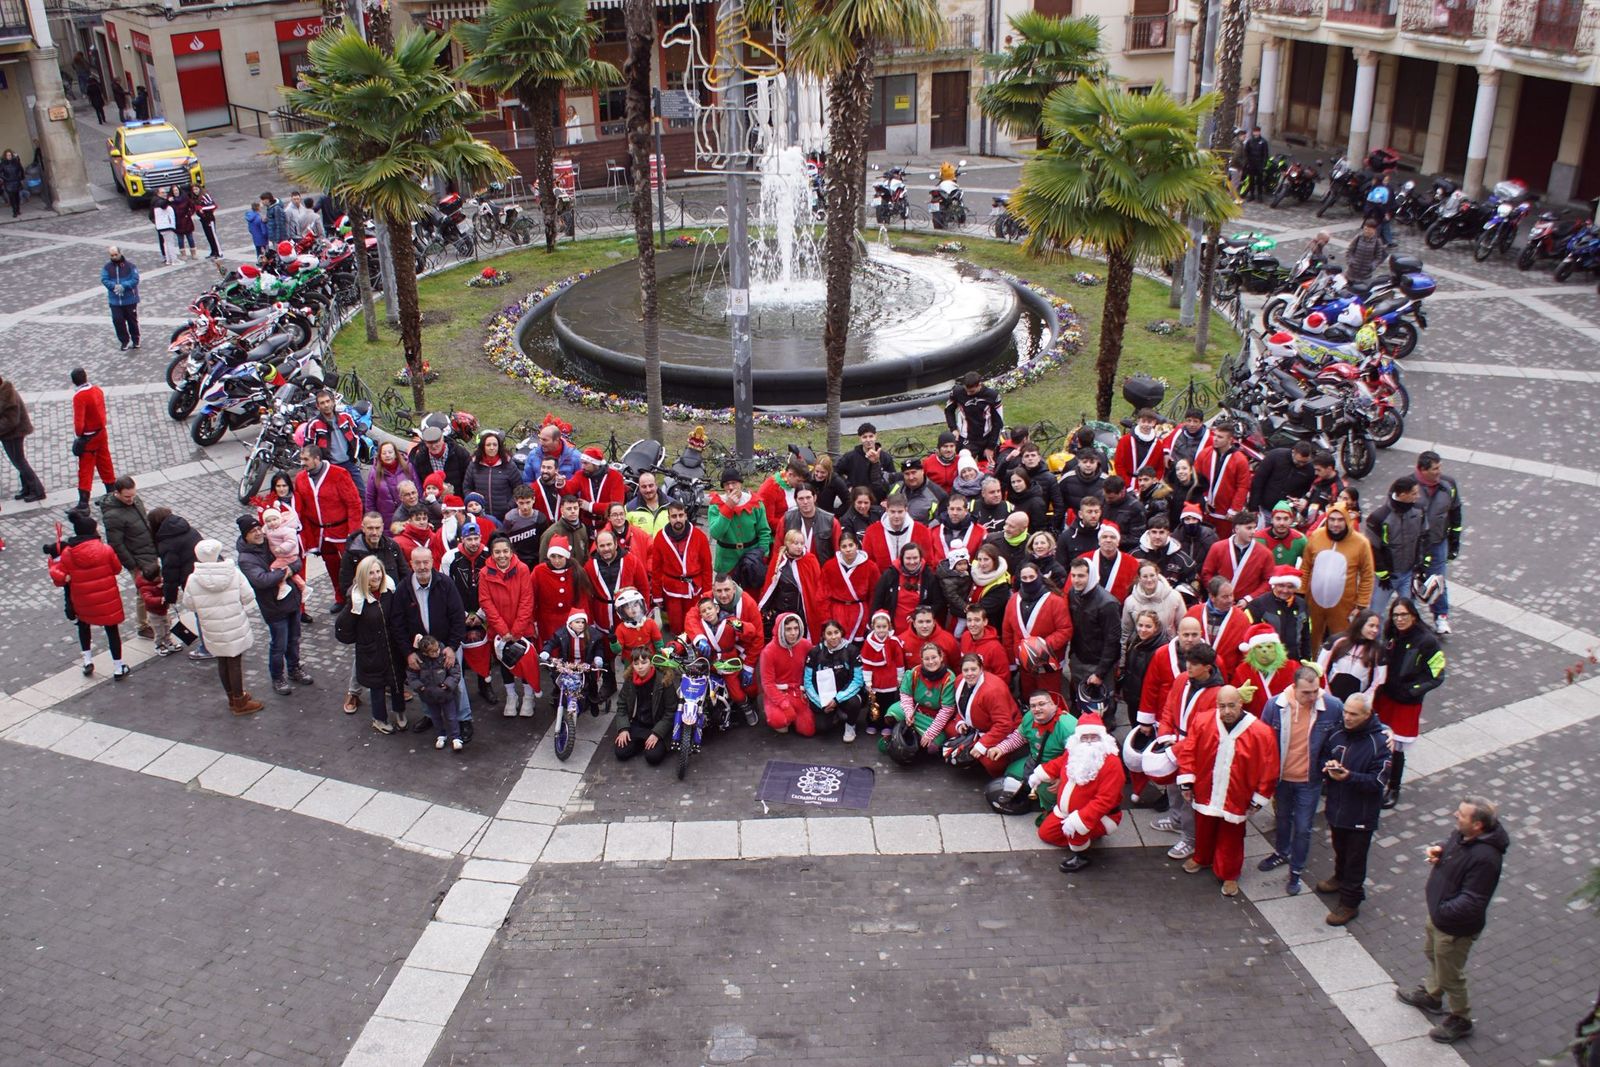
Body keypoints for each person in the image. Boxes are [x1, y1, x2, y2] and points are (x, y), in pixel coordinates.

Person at [1396, 797, 1510, 1044]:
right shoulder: (1464, 836)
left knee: (1451, 974)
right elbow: (1451, 848)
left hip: (1454, 928)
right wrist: (1440, 850)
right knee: (1433, 954)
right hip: (1439, 917)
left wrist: (1443, 911)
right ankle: (1432, 995)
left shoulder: (1486, 858)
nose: (1454, 816)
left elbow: (1473, 901)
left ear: (1478, 824)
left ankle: (1461, 1018)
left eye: (1461, 814)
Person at [1175, 684, 1280, 897]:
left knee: (1232, 837)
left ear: (1241, 703)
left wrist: (1259, 798)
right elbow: (1189, 751)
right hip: (1206, 790)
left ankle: (1229, 873)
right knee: (1203, 827)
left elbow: (1269, 768)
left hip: (1237, 795)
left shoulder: (1261, 732)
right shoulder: (1203, 721)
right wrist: (1187, 781)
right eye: (1222, 706)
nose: (1226, 712)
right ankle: (1202, 858)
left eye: (1231, 706)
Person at [1258, 666, 1344, 895]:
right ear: (1294, 688)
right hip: (1283, 778)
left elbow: (1357, 722)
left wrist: (1384, 731)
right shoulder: (1275, 706)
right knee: (1283, 818)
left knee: (1304, 827)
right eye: (1306, 693)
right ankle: (1281, 852)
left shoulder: (1332, 706)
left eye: (1316, 691)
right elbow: (1262, 740)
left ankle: (1296, 870)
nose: (1313, 697)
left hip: (1310, 780)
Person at [1316, 694, 1391, 926]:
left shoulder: (1379, 743)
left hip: (1361, 814)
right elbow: (1323, 755)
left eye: (1353, 714)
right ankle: (1340, 877)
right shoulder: (1337, 732)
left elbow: (1377, 781)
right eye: (1345, 712)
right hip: (1338, 808)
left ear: (1367, 715)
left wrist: (1349, 777)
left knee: (1356, 859)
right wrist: (1327, 767)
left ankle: (1350, 903)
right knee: (1340, 849)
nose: (1347, 717)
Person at [1028, 712, 1125, 872]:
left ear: (1102, 738)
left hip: (1097, 815)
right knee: (1046, 834)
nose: (1088, 742)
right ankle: (1088, 835)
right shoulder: (1074, 750)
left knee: (1077, 831)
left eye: (1093, 737)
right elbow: (1060, 763)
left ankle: (1082, 855)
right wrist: (1040, 774)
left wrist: (1080, 819)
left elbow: (1105, 800)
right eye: (1084, 737)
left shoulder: (1112, 764)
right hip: (1065, 811)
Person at [1375, 597, 1446, 808]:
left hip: (1406, 702)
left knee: (1397, 747)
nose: (1399, 619)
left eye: (1403, 615)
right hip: (1385, 697)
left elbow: (1437, 675)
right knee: (1380, 740)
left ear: (1413, 615)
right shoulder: (1391, 635)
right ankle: (1378, 776)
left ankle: (1393, 787)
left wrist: (1412, 691)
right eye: (1395, 615)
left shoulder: (1427, 641)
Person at [393, 543, 469, 738]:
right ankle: (430, 716)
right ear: (411, 564)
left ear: (432, 562)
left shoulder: (445, 583)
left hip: (447, 645)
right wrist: (408, 653)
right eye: (417, 563)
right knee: (425, 683)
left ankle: (464, 719)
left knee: (456, 683)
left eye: (426, 562)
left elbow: (458, 617)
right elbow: (398, 624)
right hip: (420, 650)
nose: (422, 567)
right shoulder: (404, 588)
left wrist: (452, 646)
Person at [48, 508, 131, 681]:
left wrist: (65, 575)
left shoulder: (68, 553)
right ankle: (117, 666)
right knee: (112, 630)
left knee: (83, 627)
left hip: (82, 600)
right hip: (107, 599)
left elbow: (58, 575)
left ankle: (87, 660)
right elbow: (117, 569)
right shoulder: (105, 549)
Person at [183, 538, 264, 715]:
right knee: (234, 661)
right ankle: (240, 701)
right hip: (234, 624)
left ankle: (232, 698)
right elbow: (249, 596)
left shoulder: (193, 578)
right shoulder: (233, 573)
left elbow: (189, 604)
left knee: (222, 660)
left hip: (211, 627)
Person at [236, 514, 313, 696]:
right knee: (279, 644)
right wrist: (286, 572)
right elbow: (262, 580)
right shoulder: (246, 559)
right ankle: (277, 677)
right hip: (273, 606)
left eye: (258, 529)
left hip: (292, 601)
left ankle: (294, 668)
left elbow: (296, 560)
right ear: (245, 535)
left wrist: (288, 569)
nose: (257, 533)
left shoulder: (270, 540)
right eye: (252, 531)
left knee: (294, 639)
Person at [336, 555, 409, 733]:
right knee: (377, 686)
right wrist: (364, 639)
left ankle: (400, 712)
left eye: (378, 572)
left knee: (397, 682)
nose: (376, 576)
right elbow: (343, 629)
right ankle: (379, 718)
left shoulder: (389, 592)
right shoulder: (357, 599)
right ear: (363, 575)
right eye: (371, 573)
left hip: (392, 648)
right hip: (371, 651)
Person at [294, 445, 364, 614]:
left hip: (341, 531)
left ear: (317, 459)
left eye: (306, 459)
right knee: (332, 566)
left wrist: (353, 532)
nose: (302, 463)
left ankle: (359, 598)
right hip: (320, 534)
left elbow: (354, 503)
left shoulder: (339, 474)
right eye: (301, 459)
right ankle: (340, 597)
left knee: (353, 566)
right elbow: (301, 507)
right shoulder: (301, 478)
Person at [99, 476, 159, 639]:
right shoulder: (112, 515)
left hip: (149, 552)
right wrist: (132, 565)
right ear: (117, 493)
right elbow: (116, 544)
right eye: (127, 496)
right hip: (137, 559)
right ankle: (143, 625)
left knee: (154, 587)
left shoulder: (135, 500)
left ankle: (156, 619)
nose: (131, 499)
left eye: (133, 495)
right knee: (144, 591)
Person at [1414, 451, 1462, 635]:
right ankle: (1412, 616)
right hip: (1414, 544)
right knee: (1412, 580)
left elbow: (1456, 512)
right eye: (1435, 468)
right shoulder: (1410, 486)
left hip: (1437, 541)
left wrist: (1454, 542)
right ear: (1422, 470)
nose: (1439, 472)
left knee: (1438, 579)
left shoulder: (1448, 485)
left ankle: (1441, 616)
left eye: (1439, 467)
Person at [1366, 475, 1427, 618]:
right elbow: (1372, 548)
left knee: (1410, 614)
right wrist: (1383, 573)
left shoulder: (1419, 511)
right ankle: (1375, 639)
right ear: (1402, 495)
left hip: (1408, 574)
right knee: (1375, 614)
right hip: (1386, 577)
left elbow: (1424, 537)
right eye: (1414, 493)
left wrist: (1421, 563)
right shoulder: (1379, 517)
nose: (1418, 497)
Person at [651, 501, 713, 637]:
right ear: (668, 518)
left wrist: (707, 593)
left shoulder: (699, 536)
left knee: (695, 623)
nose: (677, 519)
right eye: (674, 516)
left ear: (686, 516)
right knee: (677, 627)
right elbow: (656, 569)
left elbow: (707, 567)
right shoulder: (661, 538)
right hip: (672, 590)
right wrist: (657, 595)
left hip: (694, 589)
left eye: (680, 515)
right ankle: (678, 652)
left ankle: (696, 650)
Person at [804, 620, 866, 741]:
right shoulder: (815, 652)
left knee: (854, 703)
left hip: (845, 696)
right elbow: (807, 682)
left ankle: (850, 725)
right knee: (822, 728)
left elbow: (858, 680)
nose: (833, 637)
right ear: (823, 635)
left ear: (841, 632)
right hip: (825, 699)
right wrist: (820, 703)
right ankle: (835, 714)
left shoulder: (852, 650)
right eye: (829, 633)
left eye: (836, 632)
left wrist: (838, 699)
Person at [613, 648, 676, 763]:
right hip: (637, 724)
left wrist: (657, 733)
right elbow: (622, 705)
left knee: (653, 757)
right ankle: (641, 743)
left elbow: (671, 711)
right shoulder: (630, 680)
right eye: (636, 664)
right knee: (621, 752)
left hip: (656, 724)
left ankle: (648, 744)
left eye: (644, 662)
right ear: (632, 664)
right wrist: (623, 728)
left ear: (651, 663)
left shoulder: (664, 680)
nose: (640, 667)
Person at [68, 368, 116, 509]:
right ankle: (111, 494)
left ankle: (83, 503)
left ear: (73, 381)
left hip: (89, 438)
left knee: (85, 469)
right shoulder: (97, 390)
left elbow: (79, 423)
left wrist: (79, 434)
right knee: (105, 463)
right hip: (101, 433)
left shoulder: (79, 397)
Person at [761, 612, 815, 734]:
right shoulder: (768, 651)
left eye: (796, 628)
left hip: (798, 693)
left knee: (808, 731)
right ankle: (775, 711)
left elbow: (816, 665)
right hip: (779, 693)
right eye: (788, 629)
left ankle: (795, 716)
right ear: (780, 630)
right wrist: (784, 704)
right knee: (780, 723)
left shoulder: (805, 645)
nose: (793, 633)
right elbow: (767, 683)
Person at [1202, 510, 1273, 602]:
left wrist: (1249, 598)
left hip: (1248, 604)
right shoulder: (1217, 548)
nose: (1253, 532)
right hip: (1219, 601)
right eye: (1249, 528)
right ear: (1236, 529)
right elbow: (1206, 574)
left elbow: (1268, 581)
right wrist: (1218, 593)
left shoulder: (1265, 553)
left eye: (1254, 528)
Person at [305, 390, 366, 496]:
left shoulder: (346, 417)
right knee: (334, 498)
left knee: (362, 494)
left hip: (349, 463)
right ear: (318, 406)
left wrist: (354, 457)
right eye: (322, 403)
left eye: (328, 401)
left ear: (333, 402)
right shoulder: (314, 424)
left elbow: (355, 437)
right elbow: (308, 450)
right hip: (329, 467)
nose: (326, 405)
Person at [1195, 421, 1251, 535]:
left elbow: (1243, 486)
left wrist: (1234, 509)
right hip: (1204, 508)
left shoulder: (1240, 460)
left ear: (1230, 439)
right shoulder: (1205, 454)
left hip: (1225, 513)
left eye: (1220, 437)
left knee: (1222, 541)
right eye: (1215, 435)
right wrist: (1202, 499)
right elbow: (1196, 478)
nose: (1215, 439)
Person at [1318, 610, 1383, 703]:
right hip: (1329, 697)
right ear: (1360, 624)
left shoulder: (1377, 650)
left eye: (1377, 627)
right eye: (1371, 626)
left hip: (1357, 703)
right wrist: (1327, 693)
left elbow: (1378, 681)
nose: (1375, 630)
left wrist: (1362, 700)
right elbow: (1320, 668)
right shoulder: (1337, 640)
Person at [0, 371, 43, 503]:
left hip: (13, 434)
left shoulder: (7, 396)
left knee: (19, 461)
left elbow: (11, 421)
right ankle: (27, 488)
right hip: (10, 434)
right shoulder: (4, 392)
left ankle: (37, 490)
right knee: (18, 461)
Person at [463, 430, 522, 520]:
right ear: (483, 447)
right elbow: (467, 487)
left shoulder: (509, 465)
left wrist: (509, 506)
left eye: (495, 445)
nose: (492, 448)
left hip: (505, 516)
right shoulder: (474, 465)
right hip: (480, 516)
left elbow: (519, 488)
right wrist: (473, 501)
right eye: (488, 445)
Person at [945, 373, 1004, 462]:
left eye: (972, 391)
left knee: (989, 468)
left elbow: (998, 423)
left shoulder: (993, 396)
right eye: (966, 390)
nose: (968, 394)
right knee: (962, 466)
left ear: (979, 385)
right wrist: (953, 428)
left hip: (986, 437)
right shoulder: (957, 392)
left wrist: (991, 447)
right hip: (966, 437)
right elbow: (948, 410)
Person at [364, 440, 419, 529]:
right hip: (386, 519)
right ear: (380, 456)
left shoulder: (408, 466)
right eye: (384, 453)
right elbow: (370, 498)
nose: (387, 455)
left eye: (390, 452)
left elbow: (418, 488)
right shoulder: (374, 472)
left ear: (395, 453)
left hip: (409, 514)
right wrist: (372, 518)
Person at [409, 424, 469, 498]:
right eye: (430, 443)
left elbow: (468, 481)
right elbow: (421, 482)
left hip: (457, 501)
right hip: (433, 502)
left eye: (436, 441)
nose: (434, 446)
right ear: (425, 442)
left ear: (442, 438)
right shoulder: (420, 458)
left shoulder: (460, 453)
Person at [101, 246, 141, 352]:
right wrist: (114, 286)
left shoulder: (130, 266)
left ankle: (136, 340)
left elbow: (135, 279)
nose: (114, 257)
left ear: (120, 253)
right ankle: (124, 341)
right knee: (117, 321)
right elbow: (104, 279)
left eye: (116, 254)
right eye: (112, 255)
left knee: (132, 321)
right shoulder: (107, 267)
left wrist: (124, 286)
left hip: (130, 300)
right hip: (115, 301)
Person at [1346, 218, 1386, 284]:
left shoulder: (1377, 242)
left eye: (1369, 230)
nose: (1367, 231)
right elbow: (1350, 250)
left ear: (1374, 230)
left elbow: (1378, 257)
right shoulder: (1358, 237)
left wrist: (1372, 266)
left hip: (1365, 276)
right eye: (1365, 229)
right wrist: (1350, 261)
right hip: (1352, 272)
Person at [193, 185, 222, 259]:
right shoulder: (195, 198)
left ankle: (218, 252)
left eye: (196, 189)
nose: (195, 191)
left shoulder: (205, 196)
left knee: (213, 236)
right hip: (203, 219)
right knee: (208, 236)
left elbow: (213, 206)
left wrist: (202, 208)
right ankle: (213, 251)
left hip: (209, 218)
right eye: (194, 190)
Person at [1242, 126, 1269, 201]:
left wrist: (1264, 164)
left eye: (1257, 131)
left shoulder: (1263, 142)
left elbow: (1265, 154)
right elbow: (1246, 152)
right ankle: (1252, 195)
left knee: (1260, 180)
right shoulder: (1250, 141)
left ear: (1259, 132)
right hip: (1251, 164)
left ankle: (1260, 196)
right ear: (1253, 132)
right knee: (1251, 180)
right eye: (1255, 131)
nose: (1256, 133)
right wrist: (1247, 162)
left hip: (1259, 164)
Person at [151, 192, 177, 265]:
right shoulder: (161, 204)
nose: (165, 194)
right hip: (166, 226)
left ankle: (168, 260)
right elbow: (164, 206)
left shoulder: (155, 205)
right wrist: (168, 201)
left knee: (166, 243)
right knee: (170, 243)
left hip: (161, 227)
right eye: (162, 192)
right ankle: (174, 260)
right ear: (158, 194)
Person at [171, 187, 198, 259]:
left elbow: (192, 207)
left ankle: (193, 253)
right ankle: (183, 255)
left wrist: (189, 214)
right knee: (180, 239)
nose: (175, 192)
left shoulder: (185, 198)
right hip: (178, 222)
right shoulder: (171, 201)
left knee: (190, 238)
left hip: (187, 221)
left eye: (176, 190)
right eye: (174, 191)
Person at [1, 149, 25, 217]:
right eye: (7, 155)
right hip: (8, 183)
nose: (9, 156)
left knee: (17, 197)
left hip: (16, 182)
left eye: (10, 155)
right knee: (12, 198)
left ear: (12, 155)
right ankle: (14, 211)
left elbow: (21, 169)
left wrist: (20, 178)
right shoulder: (3, 164)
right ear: (5, 156)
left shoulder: (16, 162)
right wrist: (6, 178)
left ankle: (17, 210)